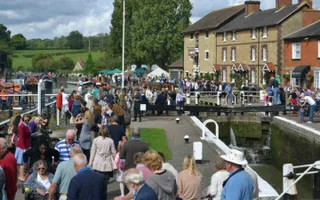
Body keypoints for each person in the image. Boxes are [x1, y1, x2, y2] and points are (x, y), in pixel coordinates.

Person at [89, 128, 116, 193]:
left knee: (97, 181)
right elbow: (113, 152)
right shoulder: (110, 141)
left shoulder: (96, 140)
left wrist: (90, 162)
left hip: (97, 164)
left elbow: (93, 152)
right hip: (107, 164)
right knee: (105, 183)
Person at [16, 114, 31, 182]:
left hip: (24, 145)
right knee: (22, 163)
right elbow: (22, 138)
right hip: (23, 146)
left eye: (28, 120)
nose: (27, 121)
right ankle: (21, 177)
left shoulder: (25, 125)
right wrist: (24, 148)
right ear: (23, 119)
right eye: (26, 120)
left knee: (21, 163)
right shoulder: (22, 126)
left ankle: (20, 176)